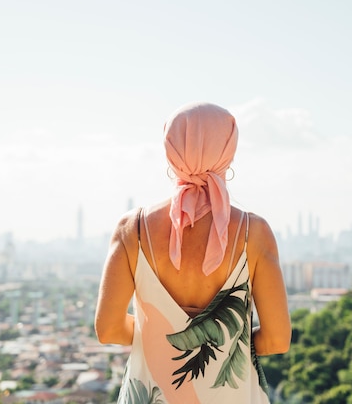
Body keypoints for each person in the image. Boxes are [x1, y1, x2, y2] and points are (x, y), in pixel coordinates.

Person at [95, 102, 291, 404]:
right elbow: (277, 339)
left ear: (170, 151)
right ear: (228, 151)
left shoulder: (130, 230)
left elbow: (108, 329)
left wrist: (161, 338)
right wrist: (223, 340)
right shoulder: (255, 234)